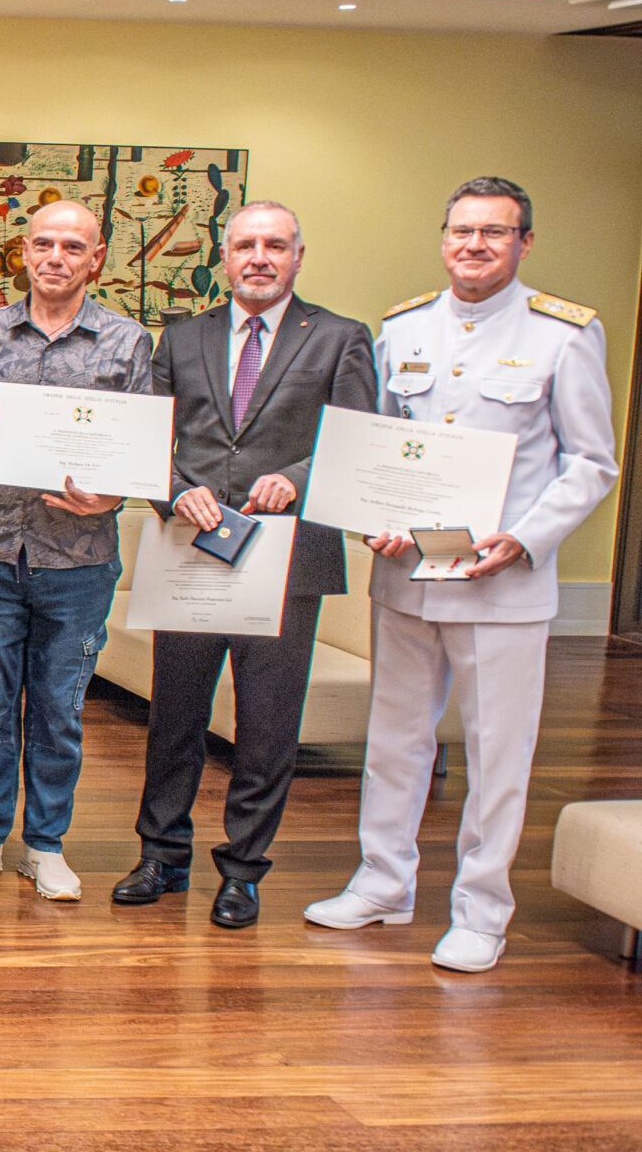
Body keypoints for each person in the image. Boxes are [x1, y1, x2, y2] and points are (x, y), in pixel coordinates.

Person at [306, 176, 618, 972]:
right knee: (395, 741)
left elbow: (591, 462)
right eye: (462, 230)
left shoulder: (564, 334)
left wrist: (526, 536)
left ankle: (482, 910)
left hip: (500, 580)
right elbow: (379, 444)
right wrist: (369, 514)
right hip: (408, 575)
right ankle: (382, 882)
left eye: (494, 232)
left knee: (496, 752)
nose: (474, 245)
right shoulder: (404, 326)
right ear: (443, 238)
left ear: (524, 242)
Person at [114, 203, 376, 928]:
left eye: (275, 245)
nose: (259, 257)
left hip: (285, 557)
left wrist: (298, 476)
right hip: (191, 550)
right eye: (245, 246)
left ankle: (243, 872)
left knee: (265, 726)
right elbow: (148, 437)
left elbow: (358, 440)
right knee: (174, 717)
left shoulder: (338, 337)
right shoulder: (182, 337)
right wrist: (174, 487)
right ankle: (161, 855)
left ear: (297, 256)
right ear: (224, 258)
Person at [0, 198, 153, 902]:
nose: (57, 257)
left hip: (78, 558)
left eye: (72, 247)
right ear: (25, 251)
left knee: (60, 708)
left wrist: (111, 498)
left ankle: (47, 844)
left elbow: (142, 448)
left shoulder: (128, 341)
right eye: (45, 244)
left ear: (96, 257)